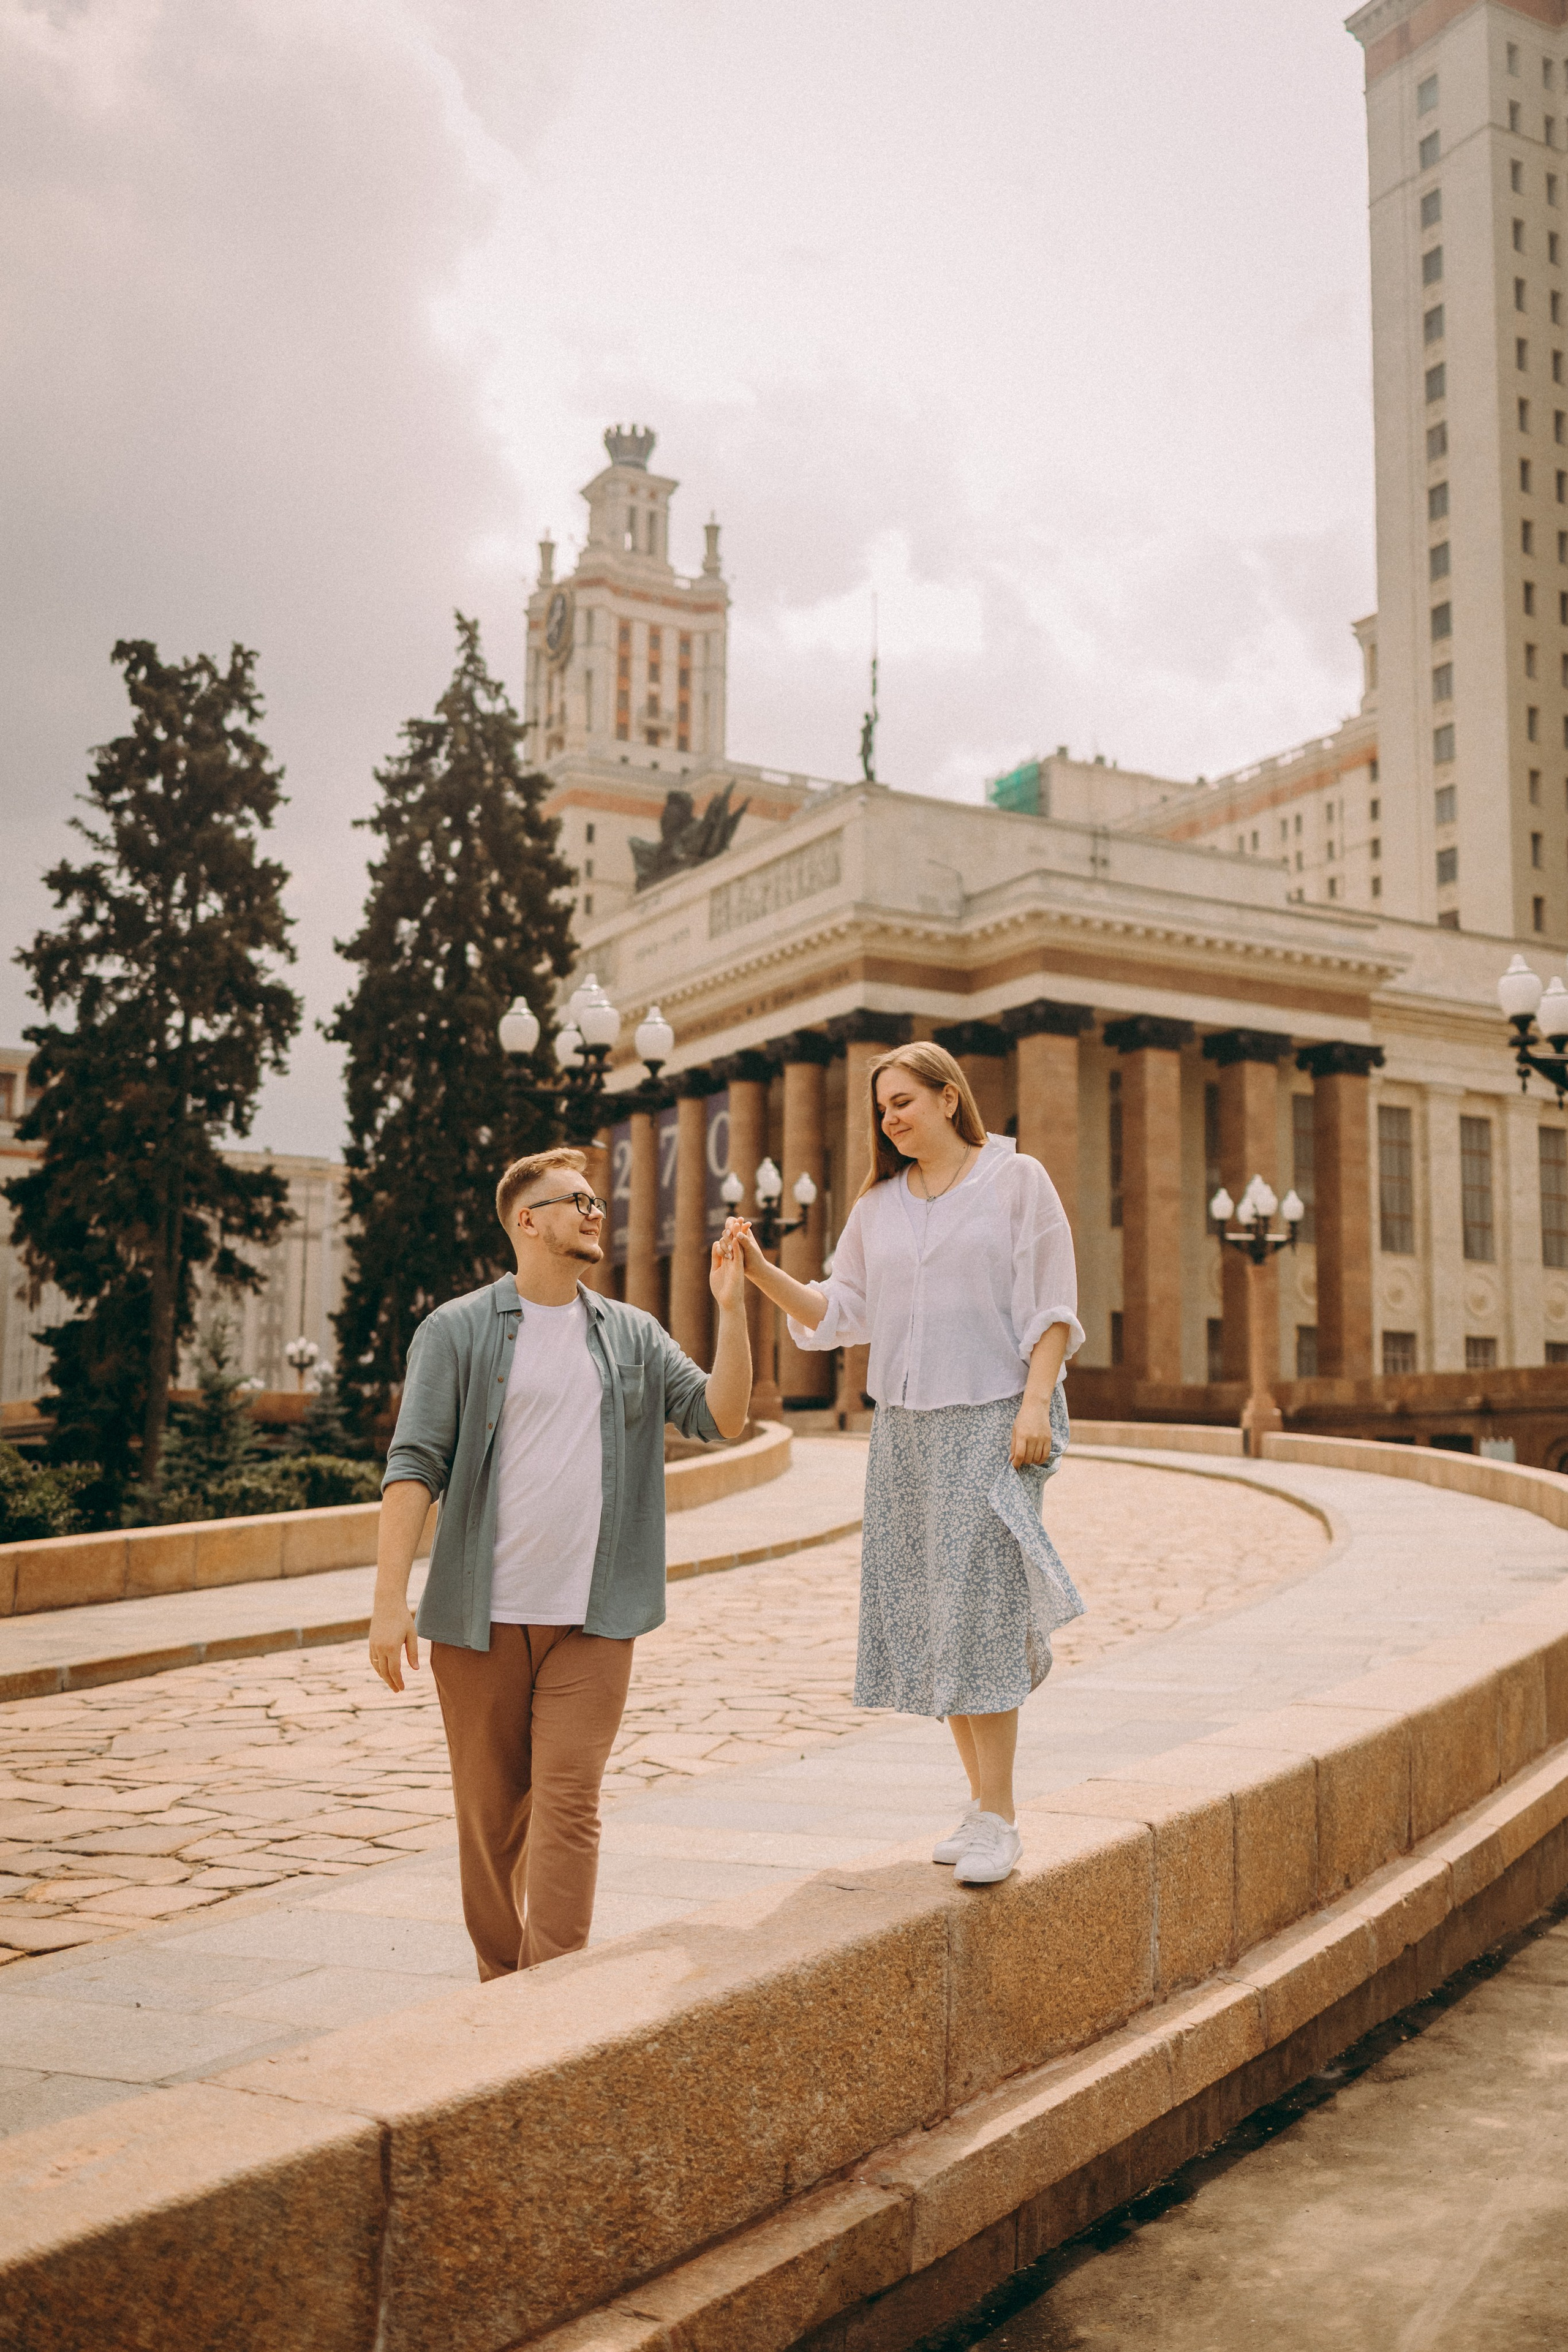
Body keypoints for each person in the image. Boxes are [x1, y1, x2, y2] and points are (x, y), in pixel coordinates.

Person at [369, 1145, 752, 1978]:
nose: (593, 1211)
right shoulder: (457, 1331)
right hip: (480, 1623)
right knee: (490, 1822)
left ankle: (553, 2003)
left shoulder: (633, 1336)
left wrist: (732, 1308)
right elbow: (414, 1465)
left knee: (570, 1806)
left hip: (594, 1619)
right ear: (525, 1220)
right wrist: (388, 1599)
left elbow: (722, 1421)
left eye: (594, 1202)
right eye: (574, 1199)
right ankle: (502, 1988)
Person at [726, 1042, 1084, 1888]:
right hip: (907, 1434)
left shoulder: (1015, 1180)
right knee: (932, 1616)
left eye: (903, 1101)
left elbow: (1054, 1303)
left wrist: (1036, 1403)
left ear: (950, 1097)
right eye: (881, 1107)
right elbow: (838, 1310)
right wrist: (761, 1271)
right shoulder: (878, 1206)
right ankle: (981, 1804)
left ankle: (1001, 1816)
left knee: (982, 1609)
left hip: (994, 1415)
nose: (889, 1118)